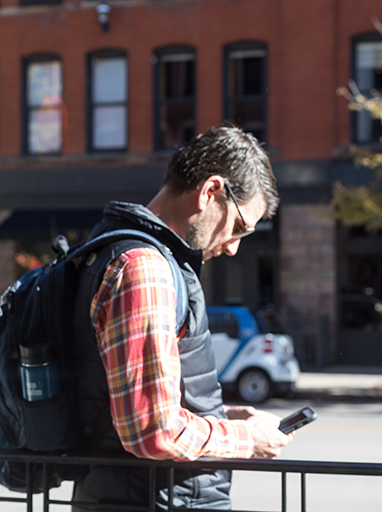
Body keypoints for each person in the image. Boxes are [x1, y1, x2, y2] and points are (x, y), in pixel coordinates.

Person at [71, 124, 292, 511]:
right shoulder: (145, 269)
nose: (235, 248)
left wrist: (222, 416)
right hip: (154, 498)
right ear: (211, 192)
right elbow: (152, 432)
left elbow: (123, 407)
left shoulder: (113, 247)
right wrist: (246, 438)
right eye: (239, 227)